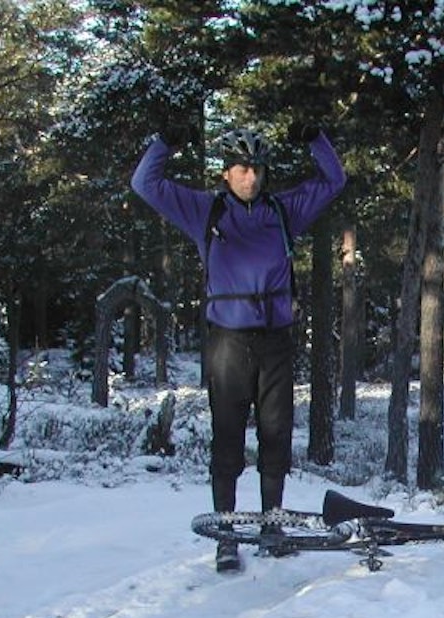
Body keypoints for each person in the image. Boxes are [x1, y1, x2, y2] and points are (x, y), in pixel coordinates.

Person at [131, 124, 346, 572]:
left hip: (275, 343)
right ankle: (226, 536)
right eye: (241, 169)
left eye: (257, 169)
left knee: (276, 436)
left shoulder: (283, 212)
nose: (250, 177)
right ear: (226, 173)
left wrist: (313, 137)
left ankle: (272, 525)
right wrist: (165, 140)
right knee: (227, 439)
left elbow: (333, 181)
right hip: (228, 342)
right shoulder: (204, 212)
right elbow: (144, 184)